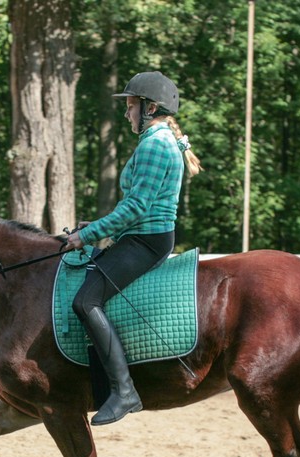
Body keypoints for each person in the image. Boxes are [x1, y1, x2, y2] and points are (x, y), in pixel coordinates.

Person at [65, 71, 201, 425]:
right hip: (140, 236)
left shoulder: (155, 144)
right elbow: (137, 205)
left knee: (85, 301)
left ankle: (124, 391)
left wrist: (89, 234)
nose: (127, 113)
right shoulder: (157, 140)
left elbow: (137, 207)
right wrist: (94, 226)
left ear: (149, 107)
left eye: (130, 106)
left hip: (146, 240)